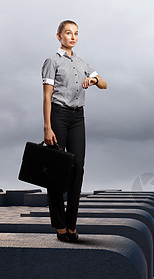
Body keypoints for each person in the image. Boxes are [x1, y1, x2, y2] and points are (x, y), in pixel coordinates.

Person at [41, 20, 107, 242]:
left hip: (78, 117)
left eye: (76, 33)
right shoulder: (52, 61)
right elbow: (47, 96)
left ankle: (71, 224)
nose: (72, 37)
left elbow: (105, 84)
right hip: (58, 115)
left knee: (78, 169)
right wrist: (47, 127)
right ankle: (59, 226)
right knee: (58, 171)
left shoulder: (82, 62)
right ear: (58, 36)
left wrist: (94, 79)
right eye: (68, 33)